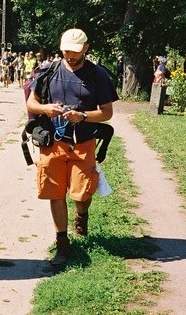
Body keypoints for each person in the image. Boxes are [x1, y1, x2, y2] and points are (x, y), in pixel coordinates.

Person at [26, 28, 118, 266]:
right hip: (52, 144)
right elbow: (31, 102)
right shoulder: (48, 71)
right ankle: (62, 243)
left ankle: (81, 214)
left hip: (82, 143)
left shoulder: (98, 75)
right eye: (66, 50)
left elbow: (107, 113)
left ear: (86, 48)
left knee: (81, 193)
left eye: (76, 51)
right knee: (54, 193)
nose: (70, 55)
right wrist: (46, 109)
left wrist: (83, 116)